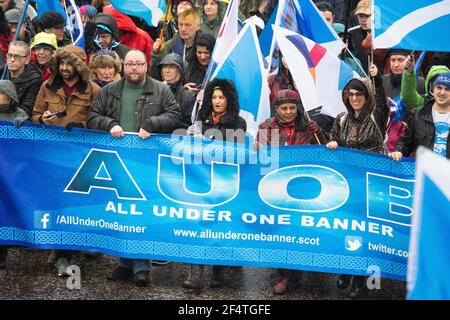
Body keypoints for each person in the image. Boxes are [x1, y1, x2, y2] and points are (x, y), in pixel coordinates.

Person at [87, 50, 183, 287]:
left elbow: (175, 115)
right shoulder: (110, 90)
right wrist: (109, 124)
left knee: (140, 211)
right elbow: (93, 117)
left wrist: (152, 123)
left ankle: (140, 265)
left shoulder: (161, 89)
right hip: (118, 160)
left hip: (147, 162)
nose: (134, 69)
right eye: (129, 64)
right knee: (121, 212)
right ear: (123, 66)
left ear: (146, 65)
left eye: (139, 64)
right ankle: (125, 263)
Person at [255, 89, 326, 294]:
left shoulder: (309, 127)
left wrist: (320, 134)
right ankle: (284, 275)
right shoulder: (266, 127)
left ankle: (299, 267)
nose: (288, 112)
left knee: (300, 230)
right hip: (276, 187)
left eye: (292, 108)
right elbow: (262, 160)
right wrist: (258, 146)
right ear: (276, 109)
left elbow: (325, 150)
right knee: (282, 231)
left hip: (303, 186)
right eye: (283, 108)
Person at [326, 64, 388, 298]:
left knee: (365, 232)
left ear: (366, 96)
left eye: (358, 94)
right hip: (346, 183)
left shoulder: (376, 115)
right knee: (345, 228)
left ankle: (360, 281)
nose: (354, 98)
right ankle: (345, 269)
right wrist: (332, 145)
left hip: (371, 183)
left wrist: (377, 80)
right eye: (350, 94)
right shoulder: (341, 119)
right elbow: (333, 141)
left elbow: (381, 100)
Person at [183, 78, 246, 291]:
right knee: (198, 224)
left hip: (225, 182)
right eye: (214, 97)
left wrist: (209, 142)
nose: (217, 101)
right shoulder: (200, 119)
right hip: (201, 182)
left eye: (222, 97)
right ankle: (195, 273)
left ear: (229, 100)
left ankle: (219, 270)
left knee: (221, 225)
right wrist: (192, 136)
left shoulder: (239, 123)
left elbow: (235, 152)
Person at [391, 72, 450, 160]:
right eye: (439, 87)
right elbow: (405, 142)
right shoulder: (418, 114)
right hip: (422, 171)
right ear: (433, 90)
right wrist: (398, 151)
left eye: (447, 89)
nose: (442, 92)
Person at [151, 8, 202, 79]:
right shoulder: (171, 44)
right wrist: (156, 53)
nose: (183, 29)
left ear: (198, 27)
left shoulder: (205, 44)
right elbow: (156, 75)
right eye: (180, 25)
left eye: (188, 25)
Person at [4, 40, 42, 117]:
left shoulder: (35, 80)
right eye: (9, 55)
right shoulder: (2, 72)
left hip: (17, 124)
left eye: (17, 56)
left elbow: (26, 108)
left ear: (27, 60)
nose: (12, 59)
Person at [158, 53, 195, 128]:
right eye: (164, 67)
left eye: (171, 67)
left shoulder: (187, 94)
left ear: (179, 70)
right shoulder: (156, 90)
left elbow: (189, 124)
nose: (167, 71)